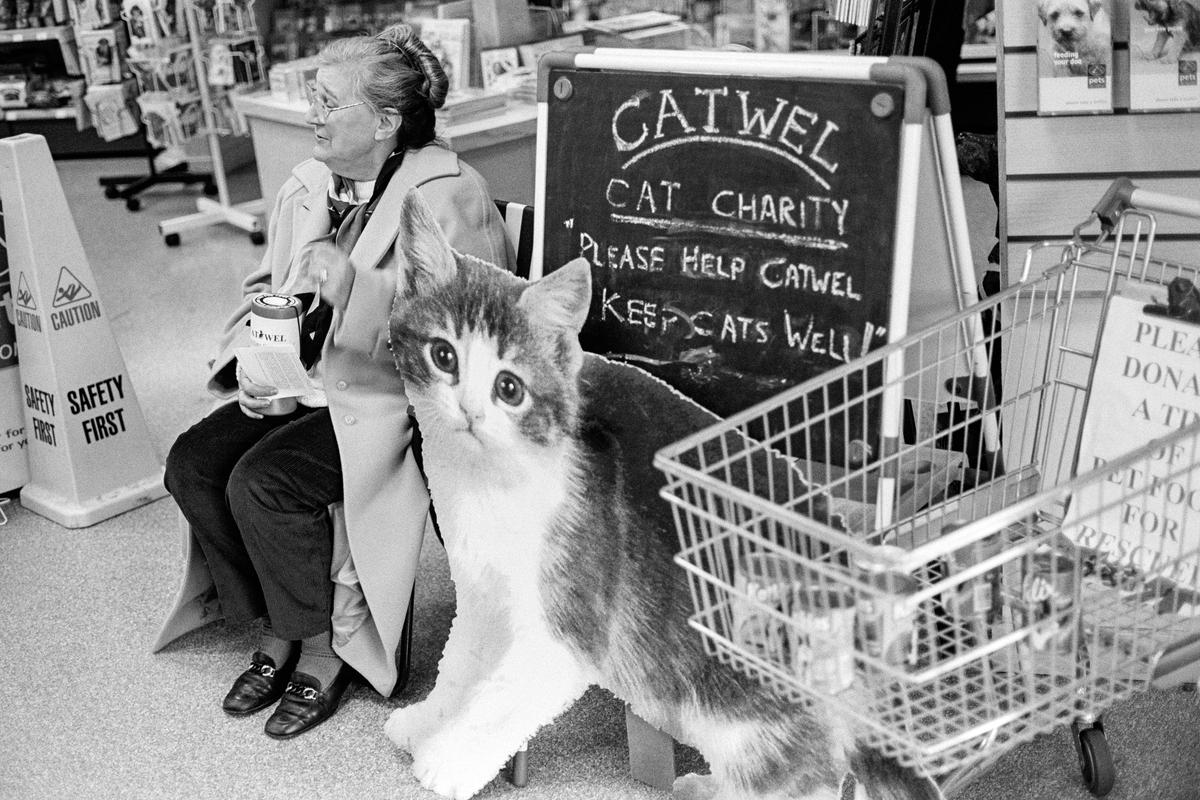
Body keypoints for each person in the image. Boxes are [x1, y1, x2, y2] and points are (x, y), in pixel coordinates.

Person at [162, 23, 515, 739]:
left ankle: (322, 648)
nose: (313, 117)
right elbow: (262, 287)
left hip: (393, 400)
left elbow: (477, 330)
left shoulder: (451, 195)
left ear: (385, 123)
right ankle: (277, 623)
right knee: (191, 466)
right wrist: (248, 365)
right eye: (312, 100)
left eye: (328, 103)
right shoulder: (308, 185)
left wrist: (357, 284)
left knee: (262, 484)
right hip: (309, 379)